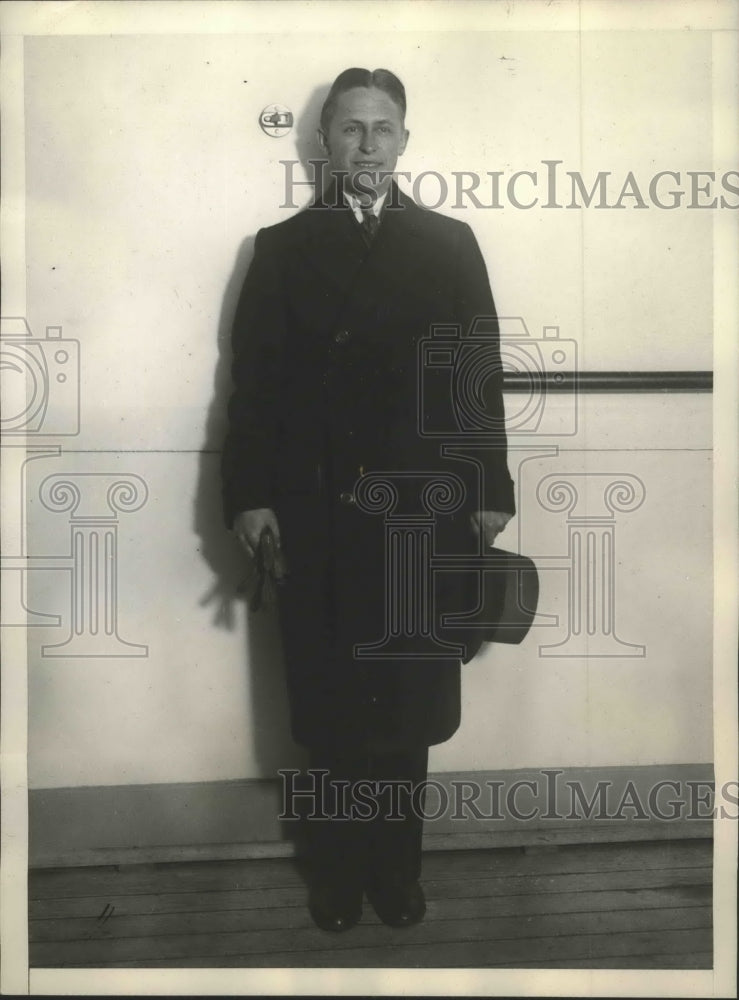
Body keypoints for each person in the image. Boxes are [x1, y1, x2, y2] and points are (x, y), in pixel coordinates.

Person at [222, 67, 515, 932]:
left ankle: (397, 872)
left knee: (406, 707)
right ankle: (335, 874)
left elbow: (476, 377)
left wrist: (489, 487)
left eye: (381, 129)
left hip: (418, 515)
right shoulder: (279, 248)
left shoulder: (449, 244)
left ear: (404, 141)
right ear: (323, 141)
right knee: (329, 707)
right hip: (314, 514)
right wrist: (248, 496)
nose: (365, 145)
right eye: (348, 129)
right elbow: (252, 389)